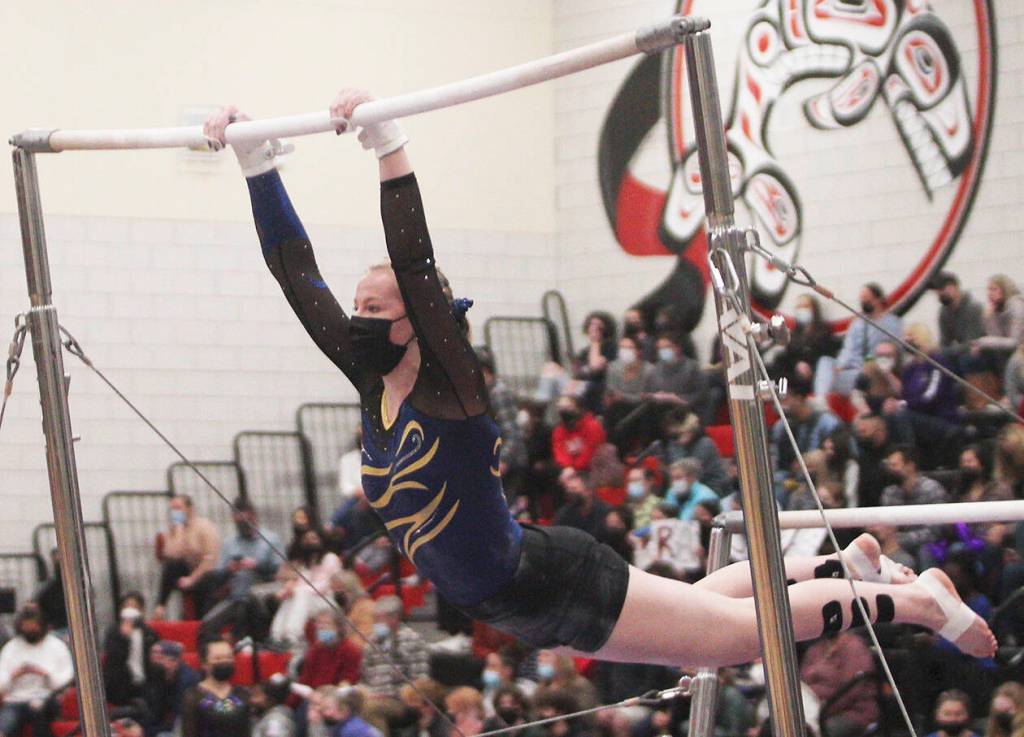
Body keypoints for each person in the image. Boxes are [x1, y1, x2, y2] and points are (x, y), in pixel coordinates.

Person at [207, 91, 994, 674]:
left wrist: (387, 143)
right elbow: (295, 273)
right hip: (514, 597)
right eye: (357, 308)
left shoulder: (452, 388)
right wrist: (255, 163)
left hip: (544, 580)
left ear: (419, 319)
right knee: (702, 612)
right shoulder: (369, 380)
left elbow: (415, 259)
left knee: (736, 636)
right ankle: (843, 566)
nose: (355, 320)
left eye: (374, 309)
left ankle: (918, 600)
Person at [202, 497, 281, 640]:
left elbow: (280, 571)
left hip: (260, 597)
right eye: (238, 522)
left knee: (244, 614)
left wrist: (257, 565)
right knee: (207, 625)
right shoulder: (229, 543)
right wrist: (230, 569)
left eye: (246, 521)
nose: (243, 525)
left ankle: (242, 641)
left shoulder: (271, 539)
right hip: (235, 597)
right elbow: (218, 576)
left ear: (254, 517)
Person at [0, 606, 73, 737]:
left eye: (33, 625)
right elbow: (2, 683)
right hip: (16, 701)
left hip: (46, 698)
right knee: (6, 723)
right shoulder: (11, 648)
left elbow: (66, 677)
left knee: (38, 712)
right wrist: (14, 675)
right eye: (26, 626)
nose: (30, 629)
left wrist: (44, 674)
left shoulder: (56, 646)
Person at [270, 527, 342, 650]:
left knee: (300, 593)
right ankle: (276, 636)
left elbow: (324, 585)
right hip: (308, 601)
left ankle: (292, 636)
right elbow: (299, 584)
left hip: (328, 602)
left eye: (313, 538)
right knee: (292, 597)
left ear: (321, 540)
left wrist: (297, 590)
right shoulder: (307, 562)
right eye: (307, 539)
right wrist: (286, 591)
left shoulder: (330, 558)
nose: (310, 542)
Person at [155, 494, 221, 620]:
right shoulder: (174, 529)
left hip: (206, 571)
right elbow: (171, 555)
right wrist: (179, 530)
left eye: (178, 508)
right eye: (172, 509)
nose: (175, 512)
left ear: (190, 509)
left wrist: (192, 579)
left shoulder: (205, 526)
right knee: (171, 566)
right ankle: (161, 606)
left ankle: (202, 620)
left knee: (207, 580)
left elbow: (210, 559)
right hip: (187, 569)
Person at [831, 283, 903, 396]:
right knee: (826, 364)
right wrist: (839, 366)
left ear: (878, 300)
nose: (863, 302)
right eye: (861, 299)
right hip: (855, 369)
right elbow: (848, 349)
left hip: (879, 369)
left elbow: (897, 351)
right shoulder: (857, 324)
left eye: (866, 298)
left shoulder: (893, 323)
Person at [880, 446, 949, 564]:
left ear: (910, 466)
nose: (890, 470)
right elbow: (887, 527)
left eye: (894, 465)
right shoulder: (889, 492)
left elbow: (936, 531)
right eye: (889, 465)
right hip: (900, 545)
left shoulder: (931, 489)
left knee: (925, 553)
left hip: (930, 543)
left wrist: (901, 539)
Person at [359, 596, 429, 698]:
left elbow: (419, 681)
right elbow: (364, 680)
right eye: (375, 619)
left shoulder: (413, 640)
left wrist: (390, 694)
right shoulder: (371, 642)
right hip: (373, 697)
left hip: (400, 698)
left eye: (379, 619)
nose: (375, 623)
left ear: (394, 619)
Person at [180, 638, 250, 737]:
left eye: (229, 657)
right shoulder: (193, 696)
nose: (225, 661)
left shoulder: (242, 694)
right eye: (218, 658)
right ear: (204, 664)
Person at [103, 591, 159, 707]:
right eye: (127, 607)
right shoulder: (113, 633)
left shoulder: (150, 633)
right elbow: (113, 659)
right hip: (121, 685)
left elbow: (153, 662)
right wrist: (124, 638)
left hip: (145, 685)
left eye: (134, 607)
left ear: (141, 611)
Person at [142, 640, 201, 737]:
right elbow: (156, 712)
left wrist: (144, 733)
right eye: (152, 655)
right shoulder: (160, 676)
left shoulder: (187, 682)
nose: (153, 660)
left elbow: (179, 721)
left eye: (160, 658)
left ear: (174, 661)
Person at [298, 610, 362, 690]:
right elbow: (305, 679)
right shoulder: (315, 650)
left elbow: (347, 682)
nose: (321, 627)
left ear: (338, 628)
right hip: (311, 693)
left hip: (334, 694)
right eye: (319, 623)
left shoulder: (351, 651)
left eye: (326, 623)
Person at [930, 272, 985, 361]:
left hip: (980, 354)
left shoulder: (973, 308)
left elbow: (971, 343)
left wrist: (948, 350)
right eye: (937, 290)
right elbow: (944, 343)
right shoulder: (944, 312)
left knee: (967, 359)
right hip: (960, 353)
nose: (939, 293)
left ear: (955, 287)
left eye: (942, 288)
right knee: (936, 359)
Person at [551, 394, 606, 473]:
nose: (563, 411)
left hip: (592, 469)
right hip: (568, 470)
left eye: (568, 407)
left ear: (578, 408)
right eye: (560, 407)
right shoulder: (559, 430)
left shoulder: (593, 426)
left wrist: (575, 468)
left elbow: (592, 451)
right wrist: (568, 467)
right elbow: (559, 452)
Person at [552, 467, 609, 538]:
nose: (570, 492)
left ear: (588, 491)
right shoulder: (564, 513)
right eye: (569, 489)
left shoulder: (605, 512)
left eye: (574, 489)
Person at [310, 686, 382, 737]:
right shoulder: (337, 725)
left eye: (327, 708)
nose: (322, 711)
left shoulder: (352, 730)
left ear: (343, 709)